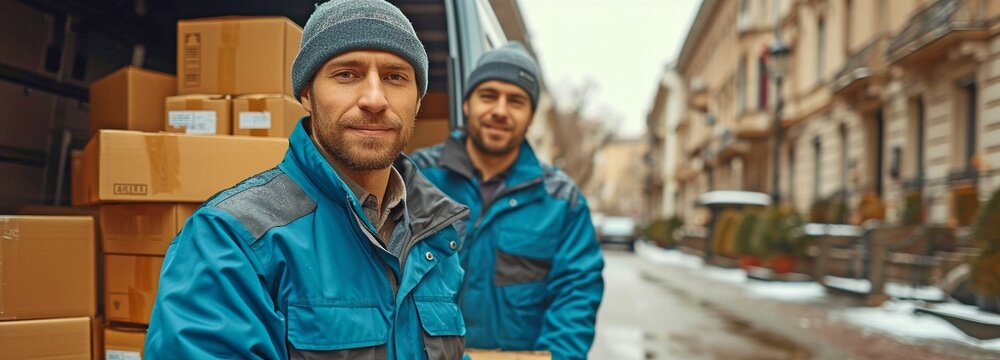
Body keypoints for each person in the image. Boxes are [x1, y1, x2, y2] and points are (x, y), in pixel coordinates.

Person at [145, 1, 470, 358]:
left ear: (418, 100)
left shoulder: (436, 235)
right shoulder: (229, 239)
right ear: (306, 95)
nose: (375, 99)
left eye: (396, 77)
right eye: (346, 74)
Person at [411, 42, 605, 360]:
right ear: (466, 104)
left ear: (530, 117)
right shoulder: (417, 179)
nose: (500, 110)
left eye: (516, 101)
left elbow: (576, 297)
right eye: (488, 96)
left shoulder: (562, 201)